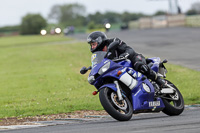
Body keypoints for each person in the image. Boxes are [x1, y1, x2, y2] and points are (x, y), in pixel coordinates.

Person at [87, 31, 166, 88]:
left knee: (140, 66)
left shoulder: (114, 41)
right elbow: (99, 63)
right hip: (120, 67)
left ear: (100, 41)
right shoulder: (98, 54)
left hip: (132, 58)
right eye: (91, 45)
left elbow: (129, 50)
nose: (92, 47)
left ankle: (159, 80)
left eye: (93, 44)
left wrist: (125, 55)